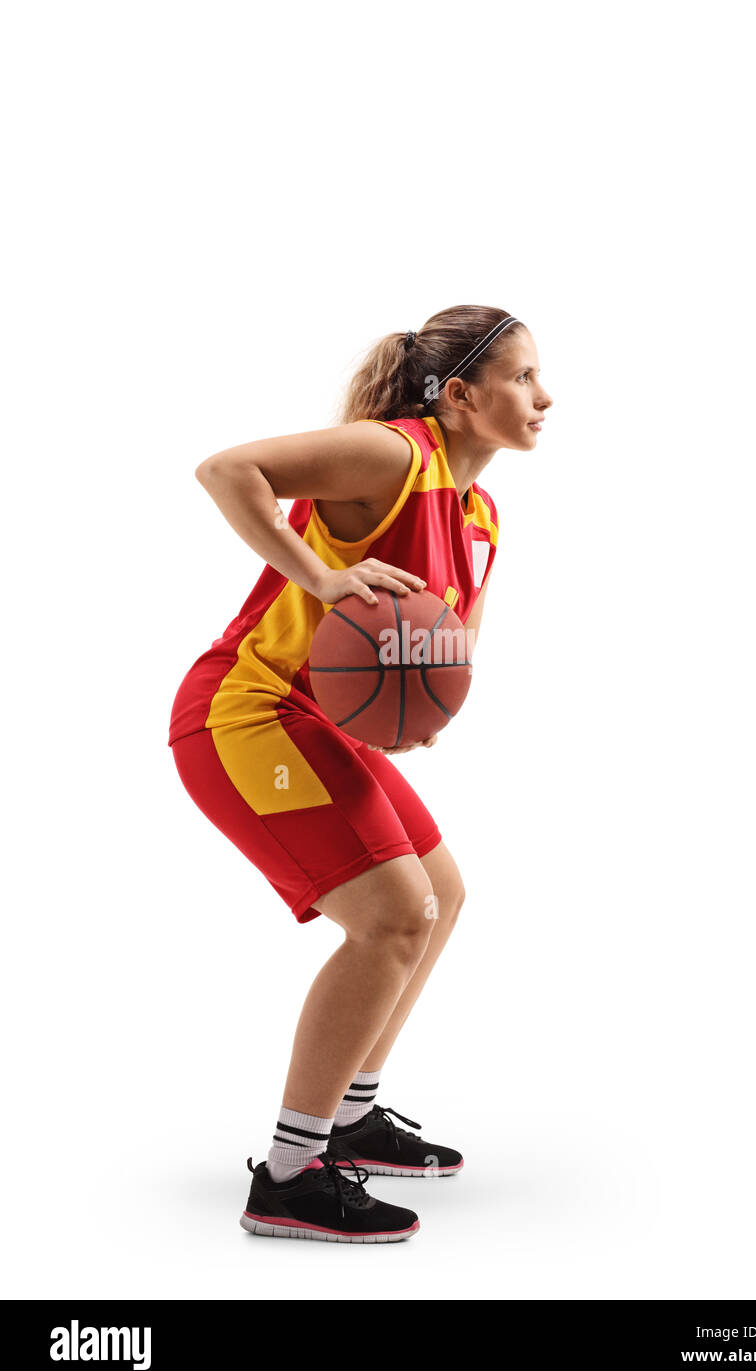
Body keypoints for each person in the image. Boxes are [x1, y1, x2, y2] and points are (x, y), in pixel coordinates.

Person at [168, 305, 553, 1243]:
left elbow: (444, 647)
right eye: (523, 378)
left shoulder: (480, 514)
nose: (545, 397)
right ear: (459, 396)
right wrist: (321, 576)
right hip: (243, 712)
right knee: (392, 918)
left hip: (310, 721)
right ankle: (291, 1176)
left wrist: (423, 710)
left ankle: (351, 1115)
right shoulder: (393, 455)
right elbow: (227, 470)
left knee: (442, 894)